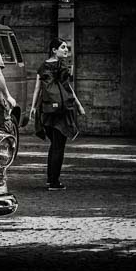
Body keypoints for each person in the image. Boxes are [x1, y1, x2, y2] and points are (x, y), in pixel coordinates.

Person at [32, 38, 87, 190]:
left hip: (47, 110)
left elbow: (37, 89)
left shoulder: (42, 67)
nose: (66, 50)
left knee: (54, 145)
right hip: (61, 111)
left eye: (66, 48)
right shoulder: (63, 66)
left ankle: (51, 179)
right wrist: (79, 105)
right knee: (58, 147)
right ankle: (54, 182)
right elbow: (68, 88)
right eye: (63, 47)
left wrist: (34, 107)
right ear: (54, 50)